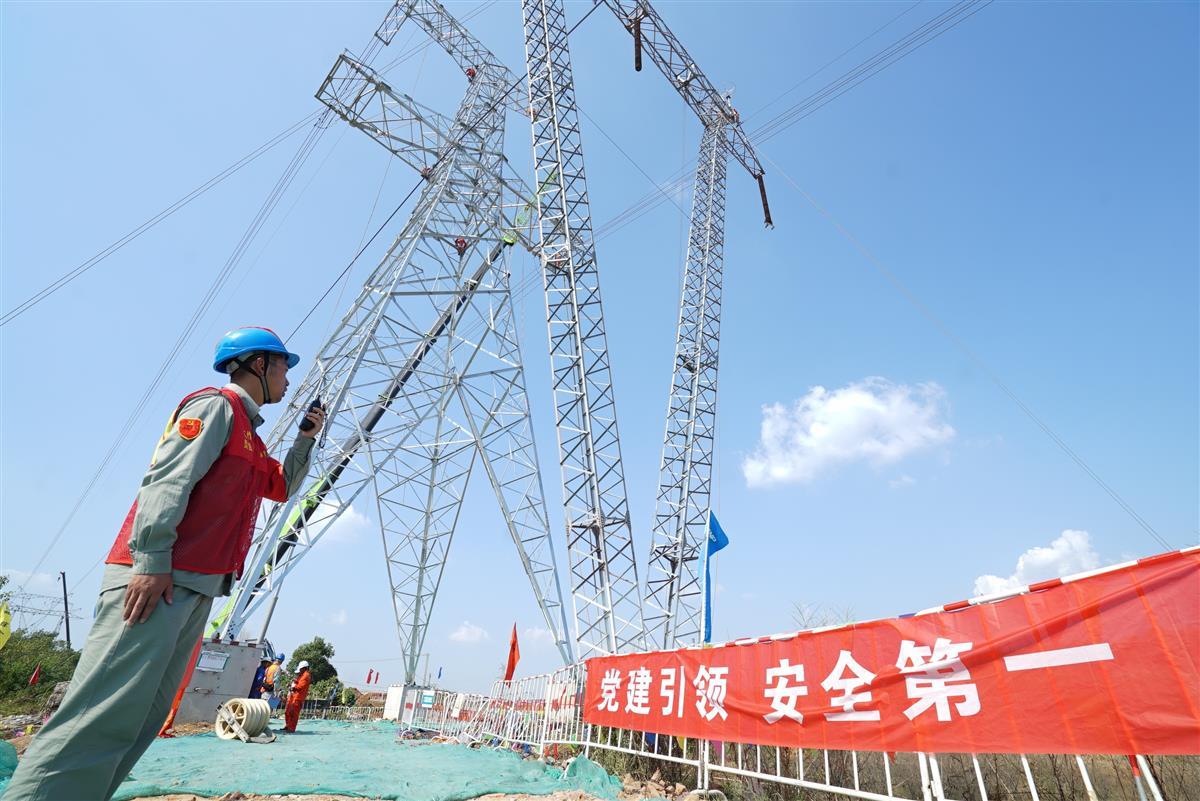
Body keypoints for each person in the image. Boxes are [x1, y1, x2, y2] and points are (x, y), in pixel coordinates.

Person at [3, 327, 325, 801]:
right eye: (283, 366)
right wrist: (151, 560)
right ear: (258, 364)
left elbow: (280, 487)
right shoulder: (216, 407)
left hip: (196, 587)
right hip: (160, 579)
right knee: (100, 715)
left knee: (140, 720)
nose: (288, 379)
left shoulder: (250, 436)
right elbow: (166, 480)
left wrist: (305, 439)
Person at [283, 661, 312, 733]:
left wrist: (294, 687)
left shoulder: (306, 675)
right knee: (288, 712)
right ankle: (288, 725)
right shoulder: (302, 675)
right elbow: (299, 682)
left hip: (298, 697)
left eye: (301, 669)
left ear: (305, 668)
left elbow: (300, 686)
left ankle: (291, 728)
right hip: (294, 696)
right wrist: (294, 682)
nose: (300, 670)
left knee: (294, 713)